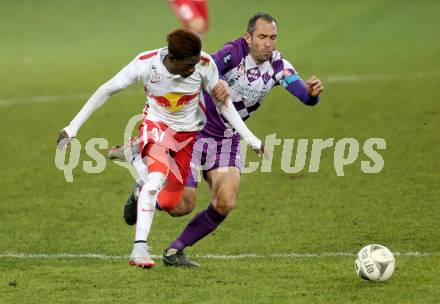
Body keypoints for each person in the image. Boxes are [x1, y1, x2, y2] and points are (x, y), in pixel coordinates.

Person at [111, 13, 324, 268]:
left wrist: (311, 94)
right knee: (182, 205)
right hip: (194, 134)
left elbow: (304, 95)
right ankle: (142, 188)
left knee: (226, 201)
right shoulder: (232, 53)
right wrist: (217, 81)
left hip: (227, 140)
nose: (268, 43)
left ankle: (175, 250)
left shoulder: (279, 66)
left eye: (273, 38)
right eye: (262, 37)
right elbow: (205, 65)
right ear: (249, 37)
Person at [57, 29, 263, 268]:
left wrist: (251, 139)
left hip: (187, 137)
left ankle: (135, 160)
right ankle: (139, 249)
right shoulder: (146, 64)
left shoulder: (204, 64)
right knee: (155, 178)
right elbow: (107, 89)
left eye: (195, 63)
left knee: (173, 205)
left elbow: (223, 104)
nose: (193, 69)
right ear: (172, 59)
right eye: (188, 65)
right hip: (156, 127)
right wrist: (72, 128)